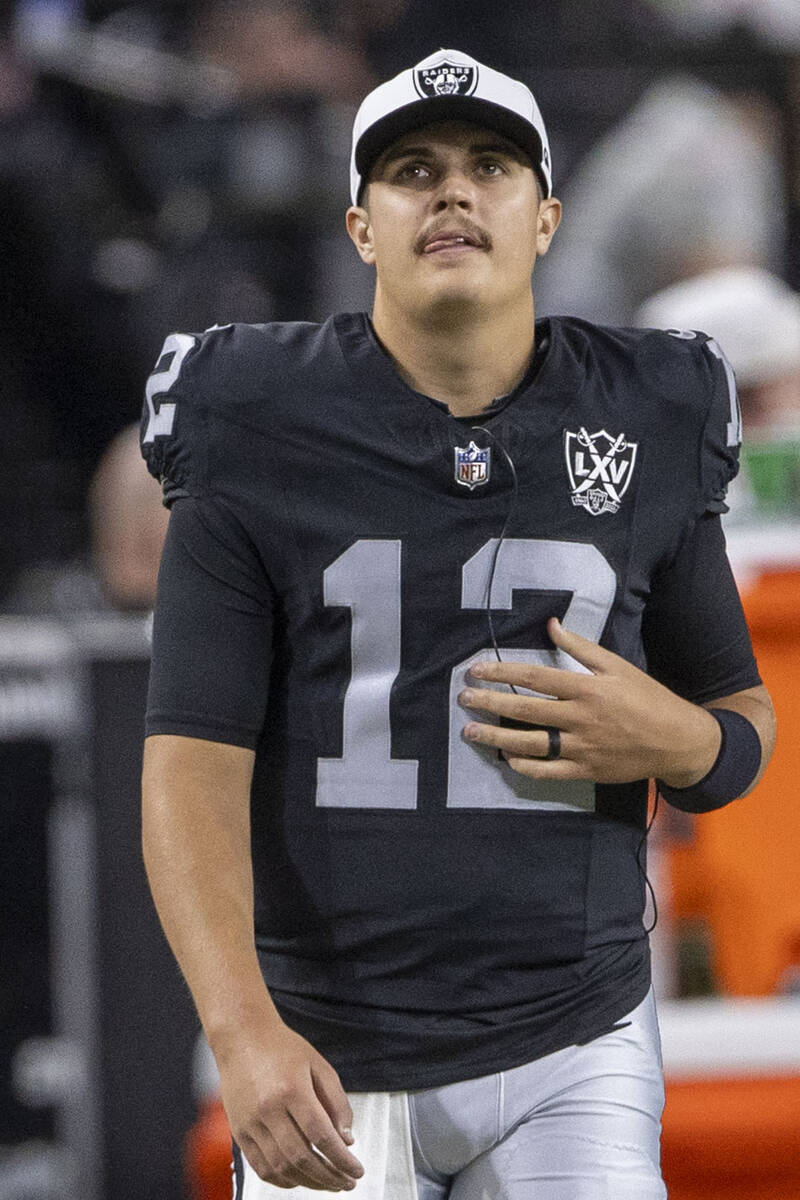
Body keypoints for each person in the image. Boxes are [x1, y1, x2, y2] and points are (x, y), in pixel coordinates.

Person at [140, 48, 776, 1199]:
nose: (451, 191)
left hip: (572, 1035)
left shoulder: (644, 412)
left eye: (489, 165)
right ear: (359, 227)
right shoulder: (256, 418)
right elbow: (188, 764)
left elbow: (737, 727)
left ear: (544, 218)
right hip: (323, 1041)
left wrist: (670, 741)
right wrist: (240, 1034)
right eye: (411, 170)